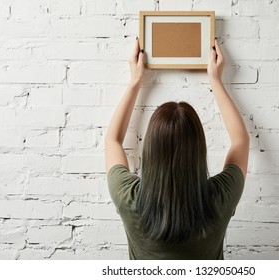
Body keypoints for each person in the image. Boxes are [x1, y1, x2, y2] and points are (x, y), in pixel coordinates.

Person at [104, 38, 250, 259]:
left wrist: (135, 82)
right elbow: (241, 141)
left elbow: (112, 141)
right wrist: (216, 81)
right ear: (199, 150)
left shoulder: (129, 198)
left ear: (150, 150)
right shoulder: (219, 199)